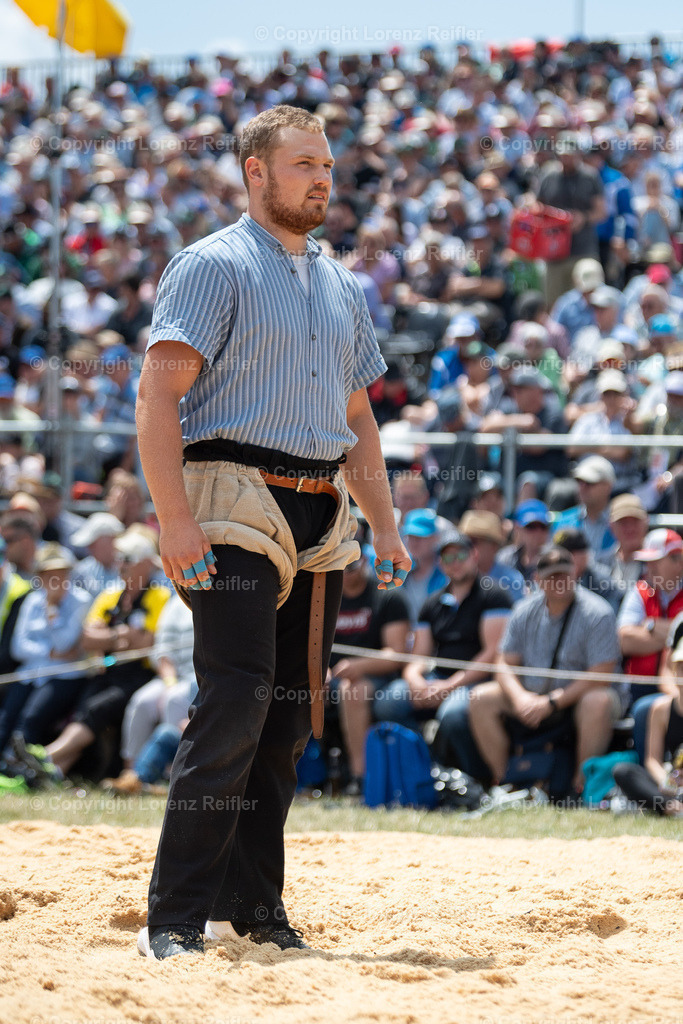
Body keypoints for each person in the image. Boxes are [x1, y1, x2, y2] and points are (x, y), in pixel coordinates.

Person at [134, 105, 410, 960]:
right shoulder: (211, 265)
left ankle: (253, 908)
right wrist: (172, 517)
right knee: (237, 698)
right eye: (302, 164)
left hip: (320, 505)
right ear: (256, 172)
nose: (322, 177)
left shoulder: (340, 281)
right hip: (227, 496)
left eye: (327, 164)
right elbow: (156, 396)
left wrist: (386, 525)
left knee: (290, 719)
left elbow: (359, 416)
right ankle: (173, 919)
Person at [469, 546, 620, 793]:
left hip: (576, 698)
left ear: (575, 575)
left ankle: (580, 787)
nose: (559, 582)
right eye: (552, 576)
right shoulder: (523, 610)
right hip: (531, 697)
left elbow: (600, 675)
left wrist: (551, 702)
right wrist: (520, 698)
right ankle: (507, 783)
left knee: (598, 701)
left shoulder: (598, 612)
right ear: (538, 580)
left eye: (564, 574)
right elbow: (504, 663)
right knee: (480, 697)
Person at [329, 551, 411, 793]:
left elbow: (396, 655)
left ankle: (361, 778)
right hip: (331, 677)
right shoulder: (324, 596)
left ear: (364, 562)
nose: (345, 573)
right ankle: (305, 778)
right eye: (339, 567)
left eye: (350, 567)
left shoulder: (389, 595)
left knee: (353, 690)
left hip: (381, 678)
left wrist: (358, 666)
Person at [2, 544, 91, 755]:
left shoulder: (81, 600)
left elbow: (64, 643)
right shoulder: (32, 600)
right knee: (7, 715)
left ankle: (17, 765)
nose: (55, 580)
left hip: (65, 676)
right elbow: (18, 647)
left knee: (30, 718)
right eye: (49, 574)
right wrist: (49, 653)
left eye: (60, 573)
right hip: (31, 673)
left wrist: (53, 612)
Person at [612, 645, 683, 817]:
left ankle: (662, 806)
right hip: (670, 782)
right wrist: (668, 782)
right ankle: (668, 806)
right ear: (674, 671)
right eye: (682, 667)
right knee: (623, 771)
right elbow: (652, 760)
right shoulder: (661, 709)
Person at [70, 512, 124, 599]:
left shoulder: (129, 567)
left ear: (111, 540)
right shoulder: (82, 570)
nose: (89, 548)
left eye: (93, 543)